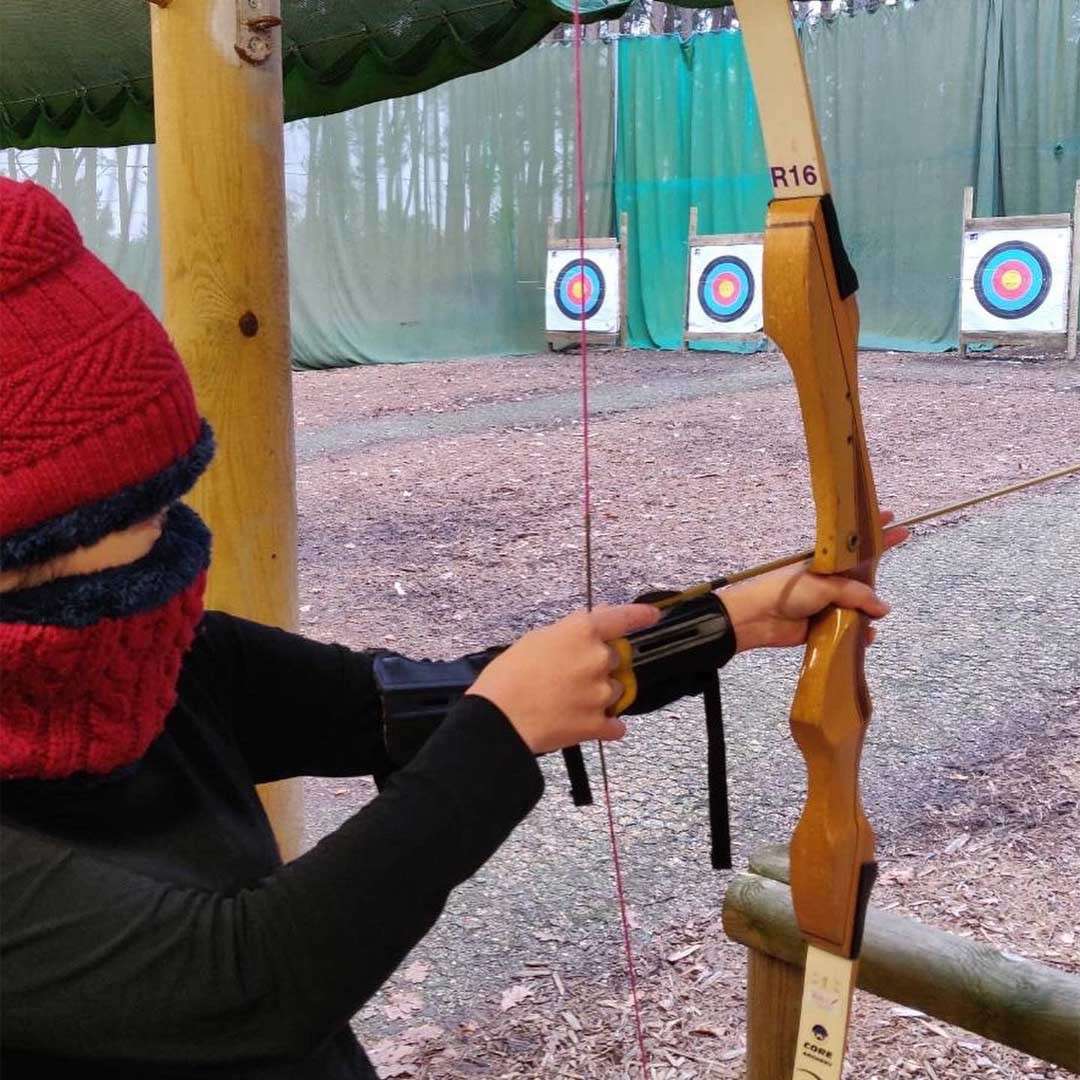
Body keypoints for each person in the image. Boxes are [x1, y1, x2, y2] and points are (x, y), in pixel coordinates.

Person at [0, 178, 905, 1079]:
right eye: (136, 501)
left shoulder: (148, 655)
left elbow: (399, 703)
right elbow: (243, 982)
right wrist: (498, 736)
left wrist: (726, 620)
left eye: (172, 482)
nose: (173, 522)